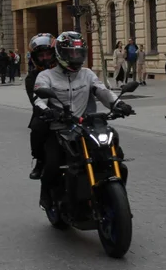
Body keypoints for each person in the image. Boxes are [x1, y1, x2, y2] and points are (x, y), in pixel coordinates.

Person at [33, 32, 132, 211]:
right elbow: (39, 99)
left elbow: (102, 91)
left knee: (116, 153)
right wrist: (48, 111)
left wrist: (119, 104)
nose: (75, 57)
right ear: (61, 54)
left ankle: (114, 196)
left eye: (78, 53)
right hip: (59, 128)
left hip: (86, 126)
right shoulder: (46, 76)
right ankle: (46, 194)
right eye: (71, 53)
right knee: (53, 163)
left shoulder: (86, 74)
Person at [25, 34, 56, 180]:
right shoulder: (33, 77)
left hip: (73, 111)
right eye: (41, 55)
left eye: (48, 54)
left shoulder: (65, 71)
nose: (45, 58)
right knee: (38, 127)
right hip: (47, 114)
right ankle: (40, 161)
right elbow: (36, 100)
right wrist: (47, 110)